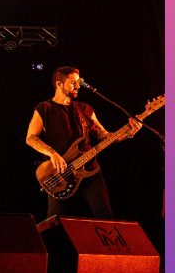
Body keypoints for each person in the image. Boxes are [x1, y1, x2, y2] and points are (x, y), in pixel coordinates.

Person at [26, 66, 142, 219]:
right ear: (59, 84)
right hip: (59, 174)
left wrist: (127, 133)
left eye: (78, 82)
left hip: (89, 170)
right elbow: (31, 138)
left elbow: (104, 136)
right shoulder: (45, 108)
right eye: (73, 82)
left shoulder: (83, 109)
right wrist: (52, 153)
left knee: (104, 216)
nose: (78, 86)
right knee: (55, 220)